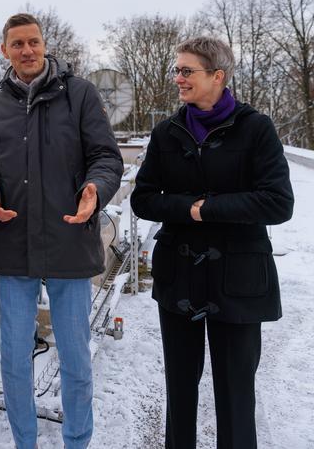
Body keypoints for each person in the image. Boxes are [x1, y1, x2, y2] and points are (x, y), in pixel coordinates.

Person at [0, 13, 123, 449]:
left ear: (45, 44)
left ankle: (77, 441)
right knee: (14, 359)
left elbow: (107, 157)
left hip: (69, 243)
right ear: (5, 51)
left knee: (75, 359)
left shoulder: (79, 95)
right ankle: (25, 443)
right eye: (17, 44)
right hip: (15, 246)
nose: (28, 50)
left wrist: (96, 188)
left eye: (33, 41)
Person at [131, 36, 293, 449]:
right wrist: (189, 209)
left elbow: (278, 202)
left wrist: (210, 210)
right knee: (180, 390)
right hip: (179, 278)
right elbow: (143, 198)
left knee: (237, 394)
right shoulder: (167, 132)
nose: (178, 79)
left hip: (238, 280)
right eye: (177, 70)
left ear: (217, 76)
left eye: (187, 71)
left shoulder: (256, 128)